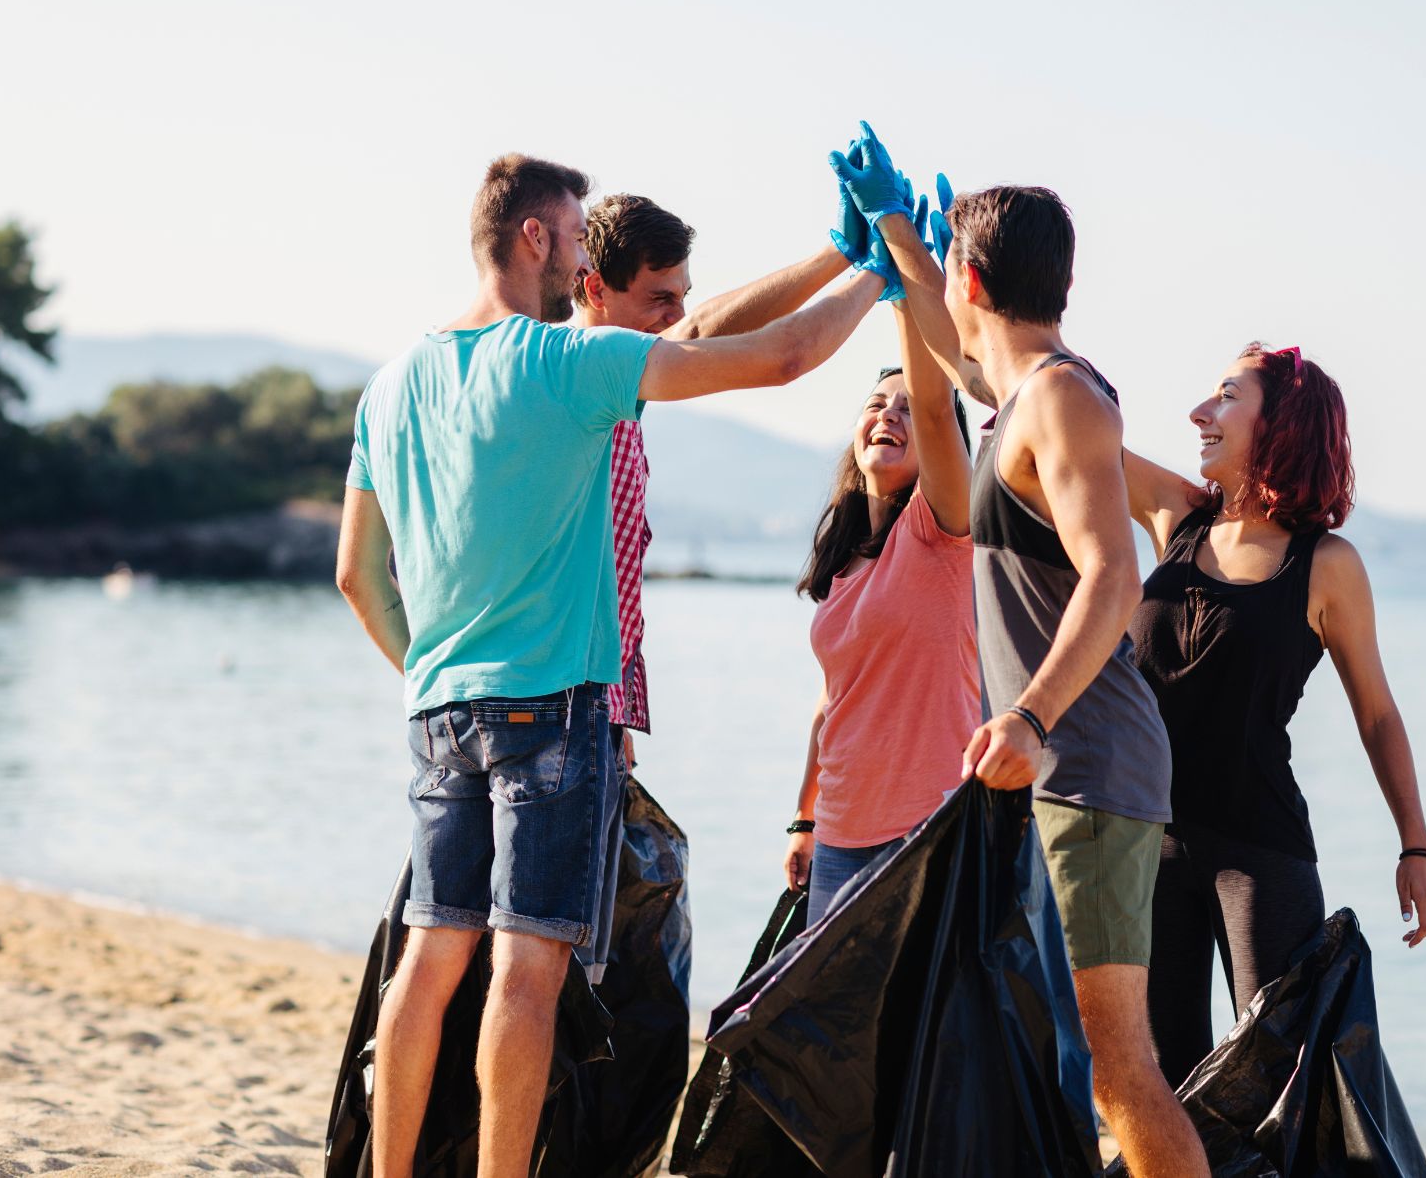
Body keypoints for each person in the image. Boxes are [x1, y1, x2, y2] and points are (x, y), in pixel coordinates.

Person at [334, 153, 888, 1178]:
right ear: (537, 239)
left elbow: (355, 575)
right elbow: (774, 359)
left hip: (439, 708)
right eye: (572, 228)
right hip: (553, 708)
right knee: (526, 972)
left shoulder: (391, 385)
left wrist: (436, 669)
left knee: (429, 954)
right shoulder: (557, 366)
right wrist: (884, 262)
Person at [840, 126, 1210, 1178]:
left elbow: (1112, 576)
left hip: (1086, 768)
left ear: (972, 275)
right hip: (1059, 774)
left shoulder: (1061, 397)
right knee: (1062, 1058)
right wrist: (897, 237)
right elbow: (947, 359)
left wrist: (1030, 714)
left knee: (1114, 1070)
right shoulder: (1020, 402)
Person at [1122, 343, 1426, 1090]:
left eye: (1226, 396)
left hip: (1258, 853)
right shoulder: (1177, 517)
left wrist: (1416, 850)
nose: (1199, 413)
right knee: (1162, 1083)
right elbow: (1064, 416)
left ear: (1282, 426)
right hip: (1147, 843)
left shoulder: (1325, 564)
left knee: (1280, 1085)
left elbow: (1377, 715)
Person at [569, 191, 855, 971]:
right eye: (655, 298)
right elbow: (782, 356)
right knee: (557, 953)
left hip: (592, 709)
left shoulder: (618, 381)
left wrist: (837, 254)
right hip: (564, 711)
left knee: (575, 953)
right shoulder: (577, 377)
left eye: (680, 295)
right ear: (594, 286)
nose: (675, 316)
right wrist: (869, 270)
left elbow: (702, 328)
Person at [783, 332, 977, 919]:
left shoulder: (941, 530)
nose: (889, 414)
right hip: (840, 831)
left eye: (907, 408)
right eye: (876, 405)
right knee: (832, 1013)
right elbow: (833, 702)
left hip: (926, 826)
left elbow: (940, 405)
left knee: (917, 1012)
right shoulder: (844, 565)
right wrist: (805, 818)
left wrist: (903, 292)